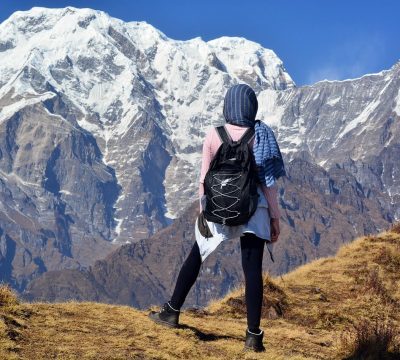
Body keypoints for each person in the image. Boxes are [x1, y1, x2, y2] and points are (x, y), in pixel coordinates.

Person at [149, 83, 285, 353]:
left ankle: (172, 311)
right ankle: (253, 336)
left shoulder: (214, 134)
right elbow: (268, 184)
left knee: (196, 256)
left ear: (227, 106)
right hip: (253, 209)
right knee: (252, 270)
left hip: (217, 207)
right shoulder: (260, 135)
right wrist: (275, 218)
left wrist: (204, 211)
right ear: (252, 106)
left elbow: (204, 179)